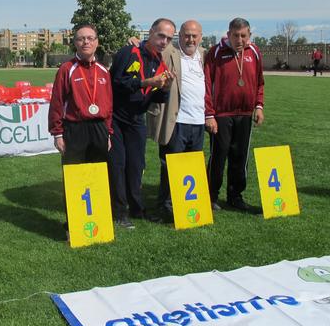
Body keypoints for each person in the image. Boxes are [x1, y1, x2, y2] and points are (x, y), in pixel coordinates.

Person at [109, 18, 175, 227]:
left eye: (169, 38)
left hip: (137, 118)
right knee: (118, 165)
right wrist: (146, 82)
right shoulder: (129, 52)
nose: (164, 42)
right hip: (116, 117)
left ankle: (137, 209)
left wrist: (165, 89)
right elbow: (116, 83)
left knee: (137, 166)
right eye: (161, 36)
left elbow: (156, 97)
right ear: (151, 32)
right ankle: (119, 213)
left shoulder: (159, 62)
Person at [147, 20, 210, 222]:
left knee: (192, 167)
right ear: (180, 36)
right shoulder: (169, 52)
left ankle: (188, 205)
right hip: (175, 121)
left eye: (194, 36)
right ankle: (164, 207)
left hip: (198, 121)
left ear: (200, 37)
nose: (190, 39)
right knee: (170, 166)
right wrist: (134, 42)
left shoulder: (205, 55)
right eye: (186, 35)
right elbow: (148, 48)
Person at [204, 17, 264, 211]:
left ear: (249, 35)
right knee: (219, 156)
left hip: (245, 113)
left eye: (243, 36)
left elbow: (260, 82)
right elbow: (207, 84)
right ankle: (211, 195)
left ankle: (235, 196)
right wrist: (209, 114)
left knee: (240, 157)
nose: (240, 40)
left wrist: (259, 106)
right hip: (221, 114)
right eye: (236, 35)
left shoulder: (254, 52)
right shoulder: (216, 52)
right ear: (228, 34)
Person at [48, 24, 113, 165]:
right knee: (75, 174)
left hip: (99, 129)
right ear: (75, 43)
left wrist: (107, 132)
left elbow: (108, 105)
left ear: (97, 42)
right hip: (74, 129)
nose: (86, 42)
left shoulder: (104, 71)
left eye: (90, 38)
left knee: (98, 173)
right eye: (81, 39)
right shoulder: (66, 69)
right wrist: (57, 134)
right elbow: (57, 103)